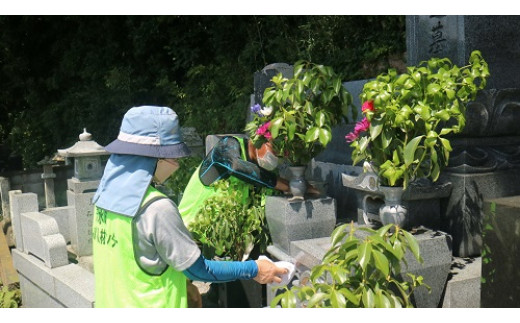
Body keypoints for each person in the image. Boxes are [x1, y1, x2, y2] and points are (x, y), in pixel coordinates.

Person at [92, 105, 287, 308]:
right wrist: (254, 269)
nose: (176, 164)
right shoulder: (156, 208)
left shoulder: (103, 200)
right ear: (153, 157)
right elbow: (197, 270)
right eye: (172, 156)